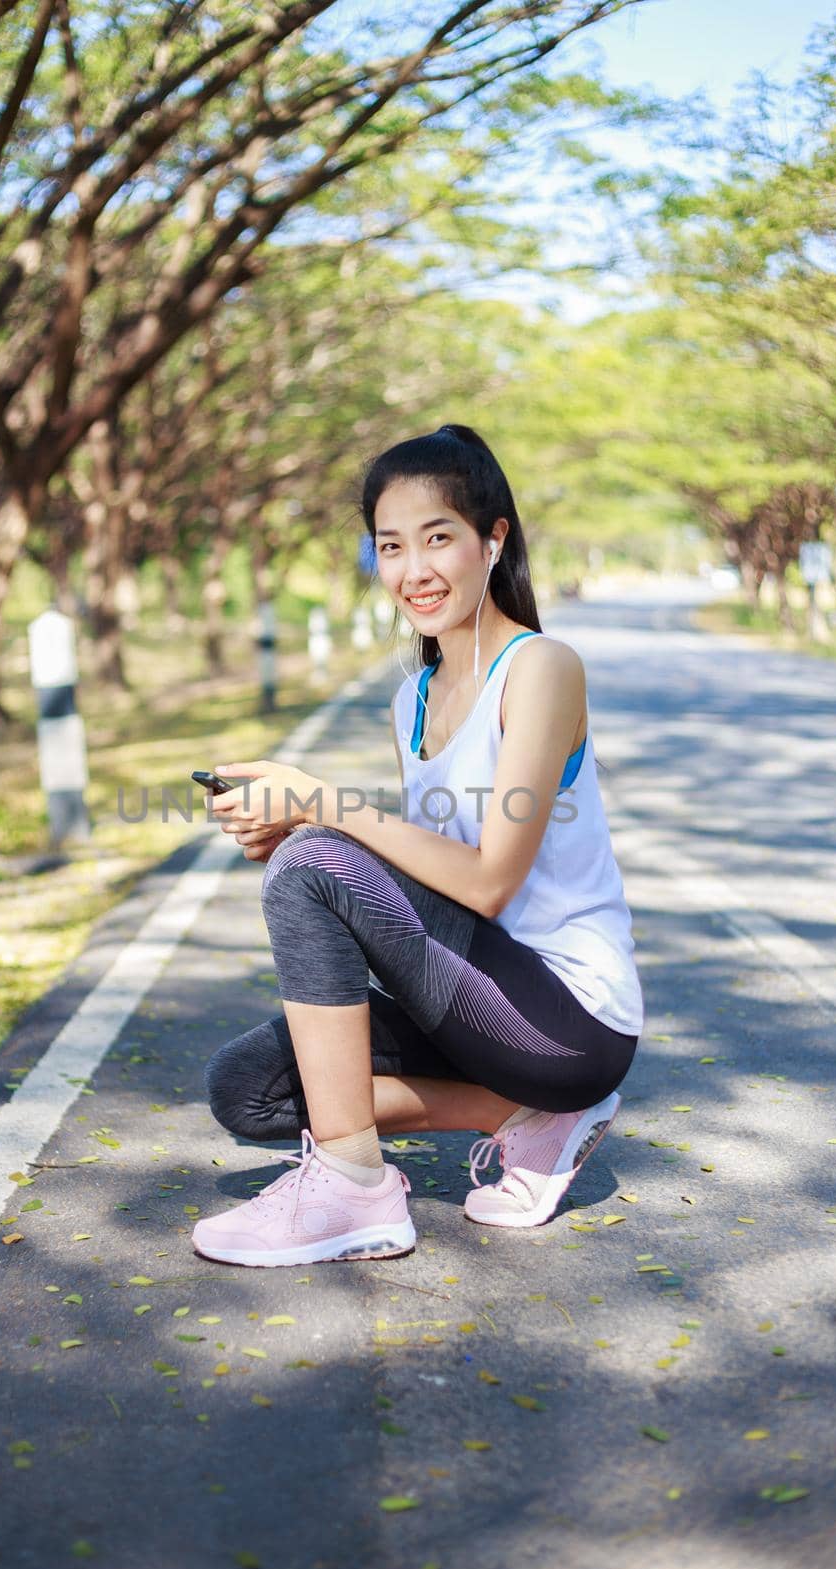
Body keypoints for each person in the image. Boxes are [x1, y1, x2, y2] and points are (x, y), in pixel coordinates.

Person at [192, 424, 643, 1268]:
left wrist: (321, 813)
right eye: (389, 546)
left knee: (315, 861)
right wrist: (299, 826)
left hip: (568, 1020)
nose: (414, 570)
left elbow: (489, 882)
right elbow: (421, 873)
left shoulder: (540, 667)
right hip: (483, 996)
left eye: (437, 538)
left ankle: (352, 1188)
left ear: (492, 540)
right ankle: (520, 1118)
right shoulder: (414, 699)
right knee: (246, 1090)